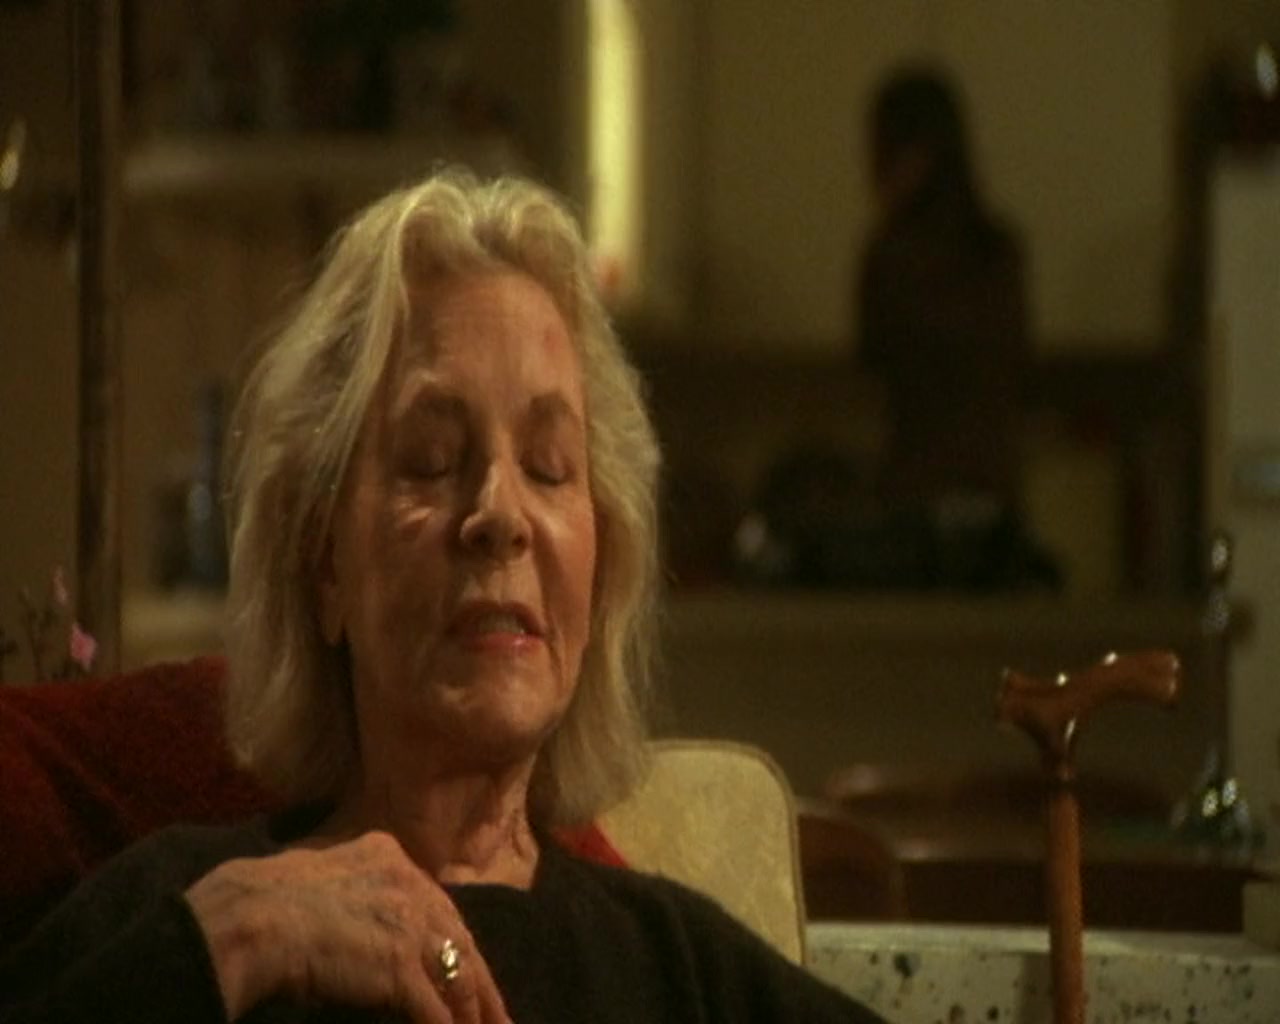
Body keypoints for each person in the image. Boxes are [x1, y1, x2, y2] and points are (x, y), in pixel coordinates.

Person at [0, 171, 884, 1022]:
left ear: (599, 568)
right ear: (324, 563)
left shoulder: (676, 969)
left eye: (549, 467)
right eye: (430, 461)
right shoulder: (194, 912)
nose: (500, 514)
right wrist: (229, 943)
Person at [855, 65, 1029, 523]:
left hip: (915, 491)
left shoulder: (893, 256)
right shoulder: (997, 251)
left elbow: (873, 364)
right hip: (990, 488)